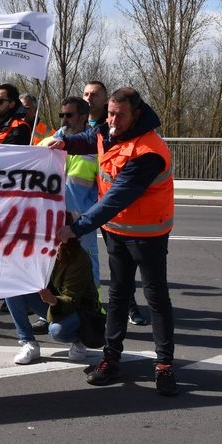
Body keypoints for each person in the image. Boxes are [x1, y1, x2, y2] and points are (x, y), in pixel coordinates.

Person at [50, 87, 178, 396]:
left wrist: (76, 228)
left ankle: (164, 365)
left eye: (119, 115)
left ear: (136, 114)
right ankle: (111, 359)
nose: (112, 120)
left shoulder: (148, 151)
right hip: (117, 232)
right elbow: (89, 139)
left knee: (156, 298)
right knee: (118, 295)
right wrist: (65, 143)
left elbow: (115, 198)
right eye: (109, 114)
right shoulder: (108, 132)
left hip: (148, 235)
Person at [31, 96, 100, 336]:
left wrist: (91, 214)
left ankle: (91, 313)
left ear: (83, 117)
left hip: (82, 223)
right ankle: (49, 313)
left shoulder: (95, 145)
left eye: (69, 115)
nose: (64, 119)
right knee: (48, 267)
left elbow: (103, 186)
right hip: (50, 222)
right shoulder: (48, 142)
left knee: (88, 269)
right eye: (62, 115)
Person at [83, 80, 147, 326]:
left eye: (94, 94)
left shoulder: (114, 125)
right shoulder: (78, 123)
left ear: (105, 99)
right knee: (84, 260)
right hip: (84, 204)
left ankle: (130, 307)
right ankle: (84, 305)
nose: (89, 98)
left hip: (109, 206)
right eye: (86, 93)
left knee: (122, 265)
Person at [5, 220, 100, 365]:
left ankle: (78, 340)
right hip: (53, 303)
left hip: (79, 310)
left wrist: (53, 300)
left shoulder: (78, 257)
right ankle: (28, 342)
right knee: (12, 288)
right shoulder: (36, 251)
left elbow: (72, 299)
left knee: (57, 331)